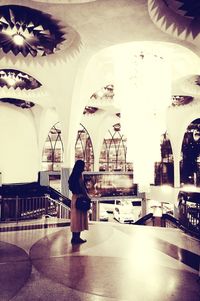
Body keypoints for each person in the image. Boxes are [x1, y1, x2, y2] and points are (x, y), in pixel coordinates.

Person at [68, 160, 89, 244]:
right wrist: (87, 197)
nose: (84, 167)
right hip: (80, 199)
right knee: (79, 219)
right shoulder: (79, 176)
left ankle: (74, 238)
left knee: (75, 219)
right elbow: (83, 188)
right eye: (83, 166)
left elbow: (71, 186)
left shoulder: (72, 175)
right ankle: (77, 238)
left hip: (74, 198)